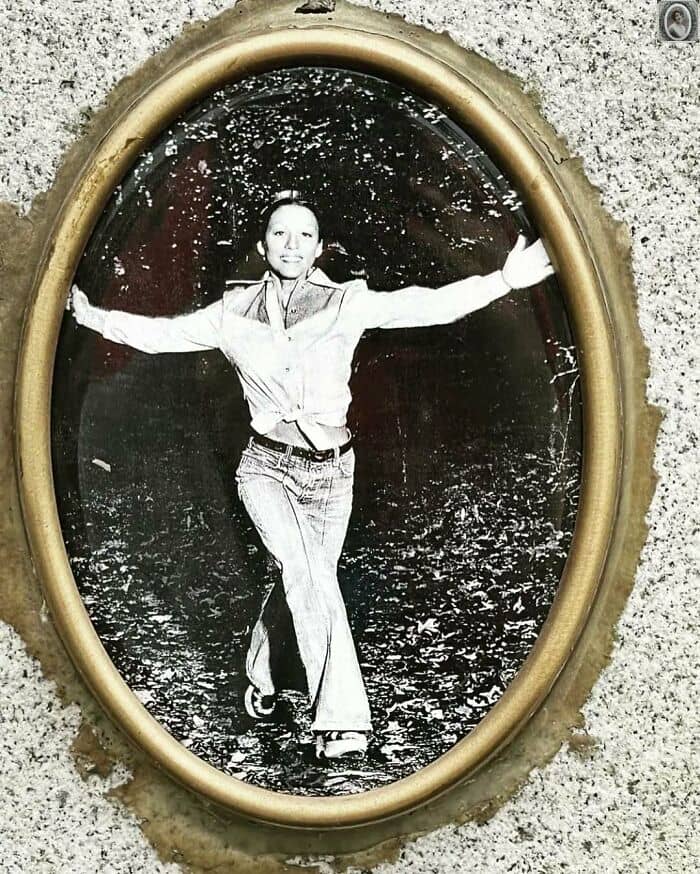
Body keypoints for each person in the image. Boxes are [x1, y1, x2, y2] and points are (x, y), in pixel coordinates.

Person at [69, 190, 554, 760]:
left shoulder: (347, 303)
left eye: (304, 235)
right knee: (308, 576)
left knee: (302, 580)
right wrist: (90, 315)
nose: (292, 245)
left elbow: (427, 305)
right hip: (266, 469)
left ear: (320, 248)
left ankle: (261, 673)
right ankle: (342, 722)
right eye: (280, 233)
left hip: (332, 475)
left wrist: (505, 280)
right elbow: (162, 336)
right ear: (262, 245)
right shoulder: (232, 314)